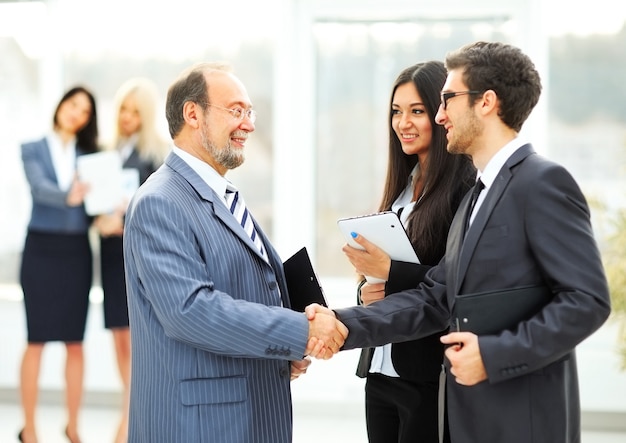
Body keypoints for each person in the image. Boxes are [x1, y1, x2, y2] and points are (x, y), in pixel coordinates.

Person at [307, 41, 611, 443]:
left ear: (486, 102)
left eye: (448, 98)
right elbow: (436, 298)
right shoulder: (475, 198)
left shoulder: (542, 183)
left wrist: (492, 355)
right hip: (464, 418)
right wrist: (342, 324)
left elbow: (586, 301)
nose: (439, 114)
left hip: (520, 421)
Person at [122, 62, 347, 443]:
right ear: (193, 114)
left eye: (250, 112)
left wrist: (286, 347)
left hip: (248, 411)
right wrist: (300, 330)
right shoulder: (159, 202)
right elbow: (192, 311)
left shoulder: (222, 195)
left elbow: (245, 286)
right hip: (201, 426)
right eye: (236, 110)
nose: (249, 124)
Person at [342, 61, 474, 443]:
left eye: (416, 111)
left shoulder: (464, 190)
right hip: (381, 370)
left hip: (427, 374)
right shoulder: (402, 189)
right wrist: (366, 290)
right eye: (396, 112)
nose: (403, 123)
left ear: (441, 113)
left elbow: (458, 285)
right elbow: (383, 279)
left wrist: (390, 270)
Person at [18, 86, 99, 443]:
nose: (76, 113)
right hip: (41, 250)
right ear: (60, 106)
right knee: (35, 340)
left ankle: (73, 427)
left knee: (74, 342)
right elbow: (39, 188)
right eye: (72, 104)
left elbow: (97, 206)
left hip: (76, 253)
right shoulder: (32, 148)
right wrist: (69, 195)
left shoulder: (91, 157)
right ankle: (30, 428)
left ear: (86, 121)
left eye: (84, 111)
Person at [92, 77, 170, 443]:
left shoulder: (155, 156)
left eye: (136, 112)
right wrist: (100, 219)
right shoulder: (106, 154)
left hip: (135, 256)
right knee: (120, 341)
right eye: (123, 109)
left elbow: (157, 211)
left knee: (138, 340)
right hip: (110, 256)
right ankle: (129, 411)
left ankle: (131, 421)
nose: (127, 117)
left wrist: (124, 223)